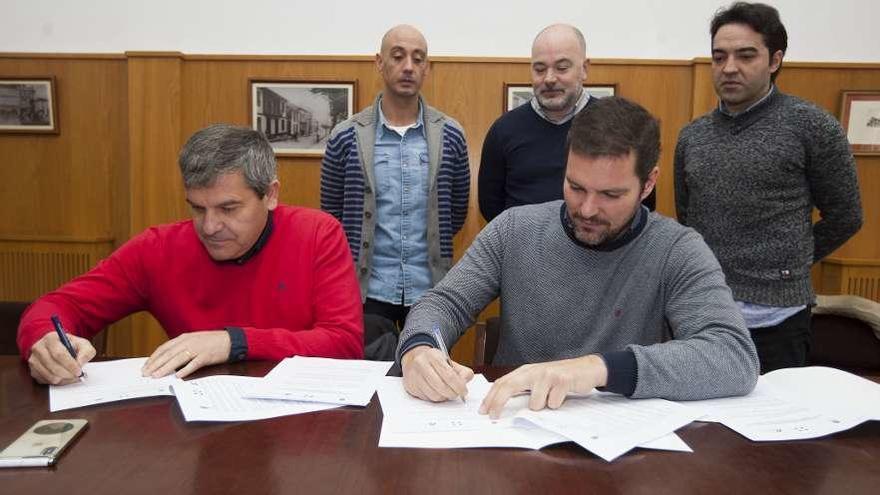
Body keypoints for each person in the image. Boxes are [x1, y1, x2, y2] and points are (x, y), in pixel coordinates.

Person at [399, 97, 759, 417]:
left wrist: (598, 369)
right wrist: (420, 348)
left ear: (648, 183)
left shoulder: (676, 249)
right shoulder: (514, 230)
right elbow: (443, 304)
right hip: (517, 426)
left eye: (610, 194)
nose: (587, 209)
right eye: (576, 187)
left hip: (623, 440)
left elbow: (733, 356)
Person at [19, 124, 364, 385]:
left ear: (270, 195)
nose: (210, 226)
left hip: (301, 430)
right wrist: (45, 342)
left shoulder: (318, 233)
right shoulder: (158, 249)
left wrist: (234, 342)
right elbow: (57, 307)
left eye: (229, 208)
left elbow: (345, 343)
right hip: (197, 430)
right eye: (198, 209)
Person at [674, 2, 863, 373]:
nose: (729, 68)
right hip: (706, 315)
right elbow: (688, 218)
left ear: (774, 60)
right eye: (719, 56)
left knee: (776, 427)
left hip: (779, 323)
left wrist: (792, 261)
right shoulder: (692, 137)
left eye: (746, 56)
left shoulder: (812, 126)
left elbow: (846, 215)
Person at [321, 25, 470, 347]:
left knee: (429, 382)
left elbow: (455, 213)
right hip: (366, 291)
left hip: (430, 289)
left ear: (427, 67)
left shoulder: (451, 134)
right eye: (398, 56)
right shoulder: (346, 136)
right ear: (379, 62)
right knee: (369, 384)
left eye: (418, 59)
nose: (408, 67)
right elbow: (331, 214)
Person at [478, 24, 654, 223]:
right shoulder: (504, 130)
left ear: (584, 69)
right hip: (524, 250)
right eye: (540, 69)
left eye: (562, 68)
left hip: (602, 250)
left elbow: (642, 203)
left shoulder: (620, 125)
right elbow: (490, 206)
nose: (550, 78)